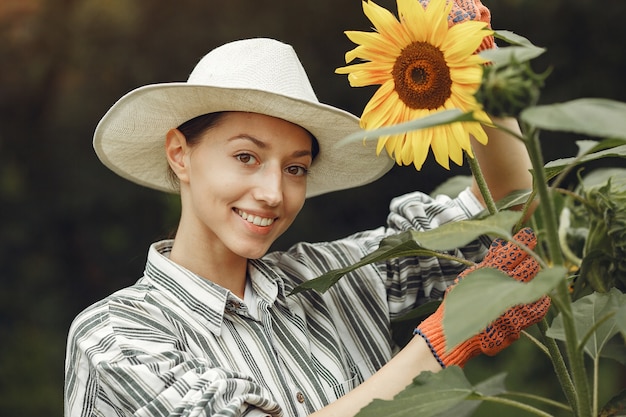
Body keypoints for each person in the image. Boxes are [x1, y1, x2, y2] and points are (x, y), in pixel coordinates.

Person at [64, 8, 549, 417]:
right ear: (179, 154)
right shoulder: (117, 336)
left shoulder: (333, 279)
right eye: (246, 157)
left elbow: (503, 209)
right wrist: (442, 341)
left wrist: (475, 65)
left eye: (296, 168)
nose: (273, 193)